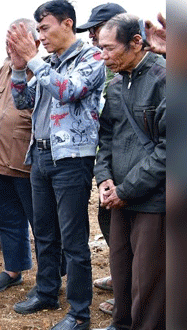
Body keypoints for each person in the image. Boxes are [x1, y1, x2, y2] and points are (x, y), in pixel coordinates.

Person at [7, 1, 106, 329]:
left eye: (44, 28)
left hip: (72, 159)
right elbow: (23, 101)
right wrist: (20, 67)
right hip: (40, 155)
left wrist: (33, 59)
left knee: (73, 238)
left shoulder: (91, 58)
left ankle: (79, 313)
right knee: (45, 232)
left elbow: (68, 90)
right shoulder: (47, 61)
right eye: (37, 30)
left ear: (67, 24)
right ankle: (47, 291)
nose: (40, 36)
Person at [93, 13, 166, 330]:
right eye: (100, 48)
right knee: (121, 272)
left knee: (148, 283)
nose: (103, 56)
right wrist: (104, 179)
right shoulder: (117, 84)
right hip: (118, 198)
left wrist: (127, 189)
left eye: (109, 48)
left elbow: (170, 149)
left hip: (153, 201)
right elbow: (106, 136)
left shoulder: (164, 80)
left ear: (137, 42)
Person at [75, 1, 126, 316]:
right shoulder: (113, 73)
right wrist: (105, 174)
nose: (94, 38)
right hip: (116, 166)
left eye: (98, 31)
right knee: (110, 222)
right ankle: (124, 278)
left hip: (144, 173)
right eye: (93, 33)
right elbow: (106, 129)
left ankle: (133, 293)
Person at [0, 18, 37, 294]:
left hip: (27, 163)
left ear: (34, 42)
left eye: (15, 41)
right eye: (7, 41)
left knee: (41, 222)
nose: (9, 46)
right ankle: (13, 270)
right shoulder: (4, 68)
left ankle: (53, 277)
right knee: (6, 218)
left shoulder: (43, 70)